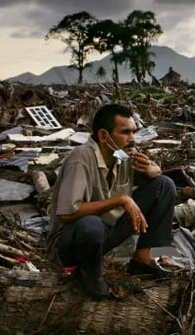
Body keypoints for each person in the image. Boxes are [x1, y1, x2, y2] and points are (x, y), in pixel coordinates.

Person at [46, 104, 176, 299]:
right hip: (70, 243)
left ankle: (145, 258)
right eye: (125, 132)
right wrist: (122, 200)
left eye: (133, 132)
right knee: (91, 224)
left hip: (104, 234)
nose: (132, 138)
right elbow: (66, 214)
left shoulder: (120, 154)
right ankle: (88, 275)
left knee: (165, 185)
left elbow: (156, 173)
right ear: (104, 136)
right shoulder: (81, 157)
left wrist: (152, 170)